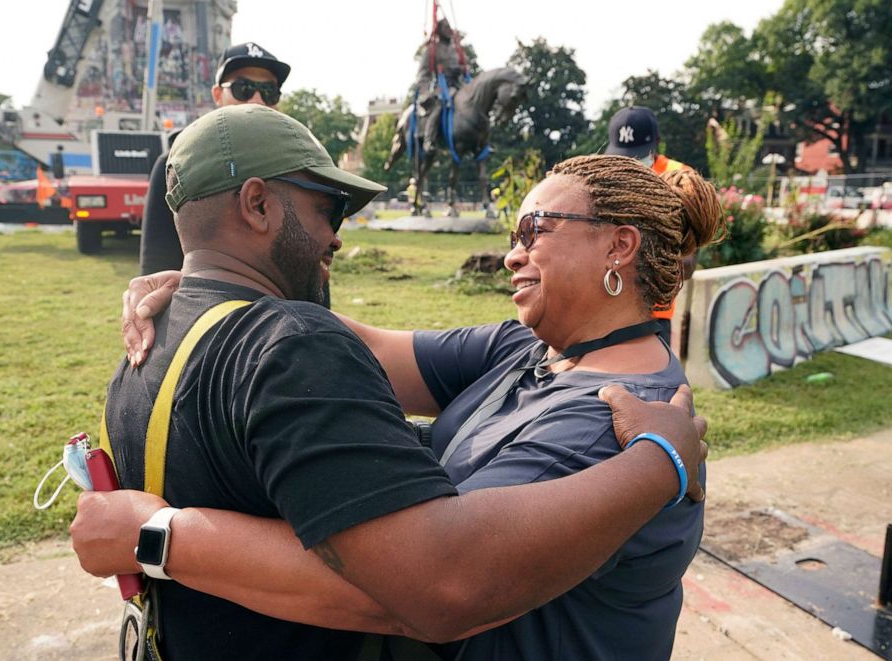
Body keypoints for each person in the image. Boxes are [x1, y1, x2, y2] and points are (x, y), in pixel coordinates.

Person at [72, 105, 707, 660]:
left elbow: (426, 584)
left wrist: (158, 534)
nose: (513, 253)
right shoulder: (530, 348)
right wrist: (218, 287)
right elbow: (374, 346)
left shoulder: (615, 417)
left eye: (533, 231)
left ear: (619, 246)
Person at [138, 41, 290, 276]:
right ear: (218, 95)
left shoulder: (295, 166)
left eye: (269, 91)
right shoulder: (176, 167)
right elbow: (157, 267)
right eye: (243, 88)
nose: (257, 100)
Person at [605, 106, 694, 345]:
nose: (630, 163)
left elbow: (688, 261)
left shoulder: (679, 177)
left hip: (653, 310)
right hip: (607, 302)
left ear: (657, 143)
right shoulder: (606, 174)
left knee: (653, 376)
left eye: (637, 155)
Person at [414, 18, 467, 153]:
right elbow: (422, 74)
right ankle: (428, 139)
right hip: (441, 87)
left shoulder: (456, 49)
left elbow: (465, 66)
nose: (448, 30)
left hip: (458, 85)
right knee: (439, 106)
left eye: (449, 27)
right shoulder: (432, 50)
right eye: (445, 27)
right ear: (439, 30)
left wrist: (462, 70)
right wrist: (426, 91)